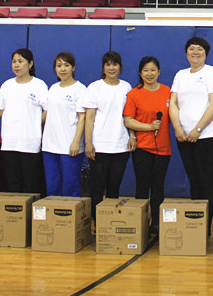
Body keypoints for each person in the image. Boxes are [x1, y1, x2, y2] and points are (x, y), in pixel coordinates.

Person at [169, 37, 213, 237]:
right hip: (183, 137)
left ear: (206, 53)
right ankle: (196, 224)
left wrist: (198, 129)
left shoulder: (212, 73)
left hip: (207, 136)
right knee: (194, 179)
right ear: (186, 53)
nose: (195, 52)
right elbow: (173, 103)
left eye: (200, 49)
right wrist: (177, 128)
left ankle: (205, 226)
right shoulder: (180, 75)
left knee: (206, 179)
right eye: (191, 49)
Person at [123, 56, 172, 236]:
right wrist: (149, 127)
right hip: (142, 147)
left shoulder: (168, 92)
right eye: (145, 70)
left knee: (158, 187)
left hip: (163, 148)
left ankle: (157, 224)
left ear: (159, 72)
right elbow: (128, 120)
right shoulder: (134, 94)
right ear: (140, 73)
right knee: (143, 186)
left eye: (152, 70)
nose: (149, 74)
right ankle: (141, 223)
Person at [84, 51, 132, 214]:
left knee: (114, 187)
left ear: (120, 67)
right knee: (98, 186)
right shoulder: (94, 87)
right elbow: (89, 118)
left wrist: (132, 136)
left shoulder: (126, 87)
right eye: (108, 64)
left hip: (121, 145)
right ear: (103, 67)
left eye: (115, 64)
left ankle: (109, 221)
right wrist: (88, 142)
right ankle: (96, 220)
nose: (111, 68)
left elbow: (129, 116)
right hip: (99, 146)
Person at [0, 48, 48, 194]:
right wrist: (12, 117)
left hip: (30, 142)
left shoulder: (39, 85)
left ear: (30, 64)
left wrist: (34, 121)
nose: (16, 65)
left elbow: (48, 110)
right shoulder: (7, 85)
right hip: (10, 141)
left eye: (20, 61)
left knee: (30, 183)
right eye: (14, 62)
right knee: (13, 182)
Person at [42, 52, 86, 197]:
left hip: (69, 146)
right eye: (59, 65)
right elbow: (47, 114)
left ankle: (70, 212)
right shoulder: (53, 88)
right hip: (50, 145)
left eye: (66, 65)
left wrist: (76, 142)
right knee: (52, 185)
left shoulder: (80, 89)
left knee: (70, 185)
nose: (62, 69)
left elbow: (83, 118)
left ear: (73, 67)